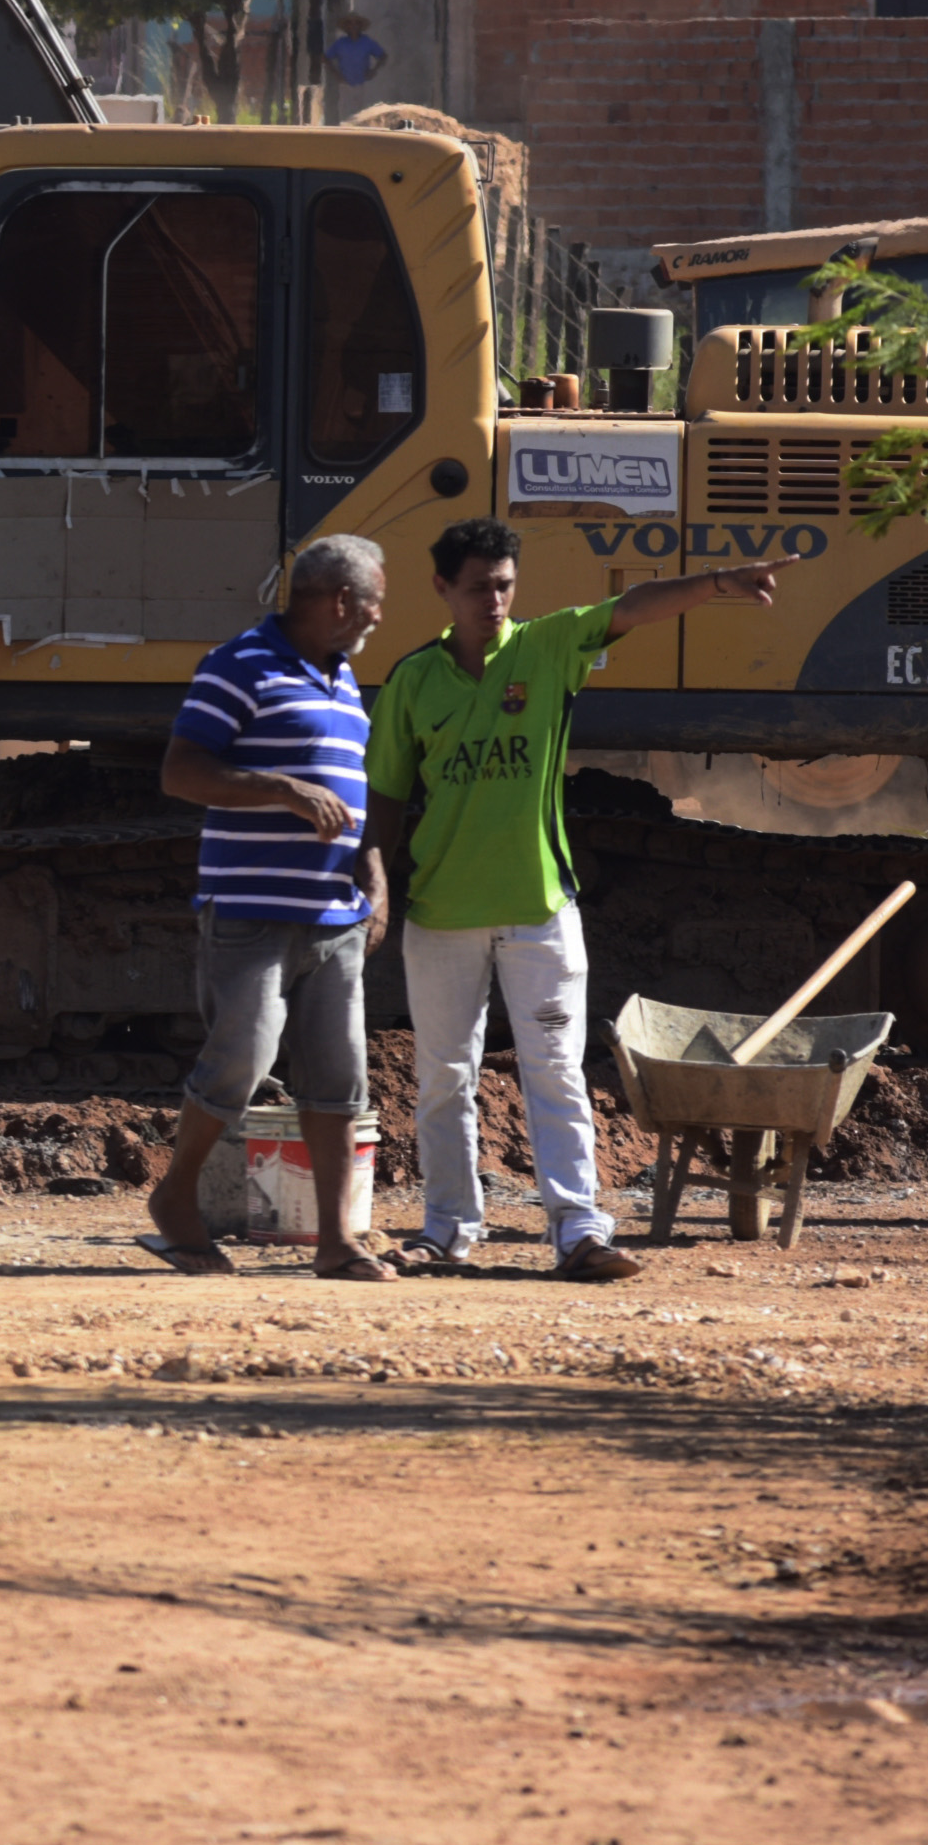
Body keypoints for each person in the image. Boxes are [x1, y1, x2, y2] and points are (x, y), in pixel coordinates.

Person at [367, 516, 781, 1282]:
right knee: (444, 1079)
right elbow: (385, 795)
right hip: (441, 915)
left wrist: (720, 582)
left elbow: (634, 606)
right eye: (477, 587)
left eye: (503, 586)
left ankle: (578, 1233)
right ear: (442, 589)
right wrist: (376, 881)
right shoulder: (413, 680)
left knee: (556, 1070)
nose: (493, 601)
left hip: (540, 911)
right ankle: (447, 1230)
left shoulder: (548, 647)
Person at [147, 534, 392, 1278]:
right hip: (251, 910)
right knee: (243, 1057)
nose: (379, 618)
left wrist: (374, 874)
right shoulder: (239, 664)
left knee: (339, 1078)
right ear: (340, 600)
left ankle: (336, 1241)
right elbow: (181, 773)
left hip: (335, 915)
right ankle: (176, 1197)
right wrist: (282, 790)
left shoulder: (342, 679)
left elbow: (349, 789)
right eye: (375, 602)